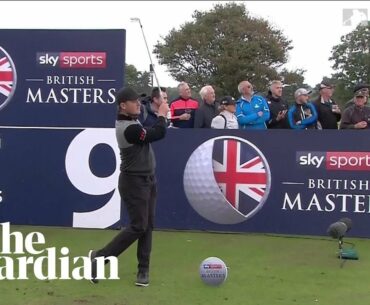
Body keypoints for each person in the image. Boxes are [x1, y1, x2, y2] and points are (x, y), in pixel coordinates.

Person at [89, 86, 169, 287]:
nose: (139, 105)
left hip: (148, 180)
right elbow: (157, 133)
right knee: (138, 226)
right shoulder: (128, 128)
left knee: (147, 226)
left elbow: (151, 129)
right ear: (123, 106)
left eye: (140, 102)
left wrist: (159, 110)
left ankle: (143, 270)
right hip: (133, 182)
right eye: (135, 102)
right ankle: (100, 257)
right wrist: (162, 115)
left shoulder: (133, 121)